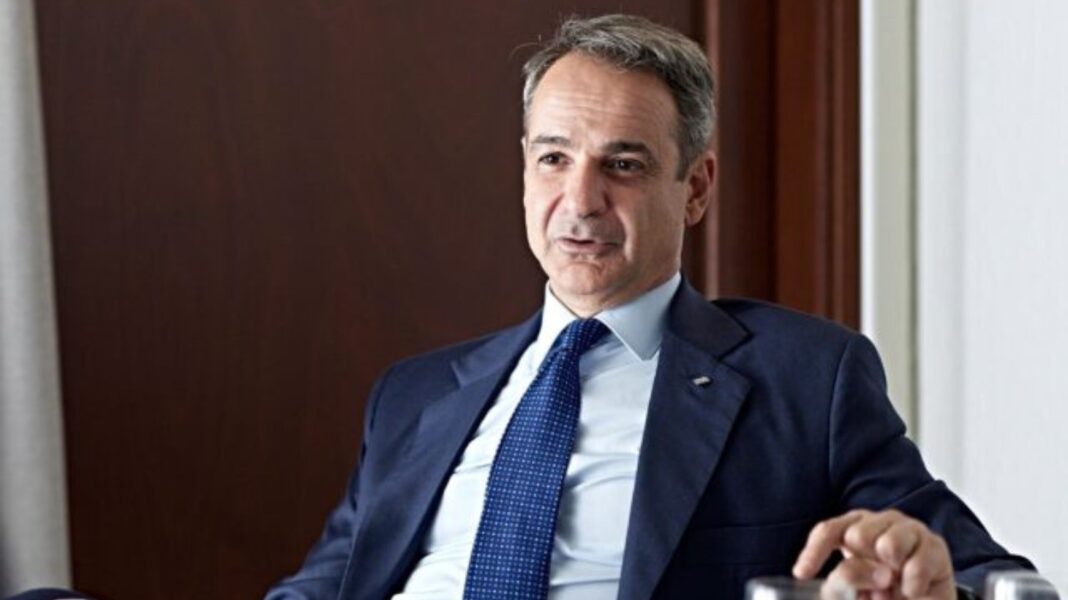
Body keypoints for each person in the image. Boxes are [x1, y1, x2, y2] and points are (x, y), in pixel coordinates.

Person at [266, 14, 1036, 600]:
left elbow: (996, 582)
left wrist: (934, 583)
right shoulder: (415, 395)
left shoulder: (806, 378)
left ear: (694, 189)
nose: (580, 201)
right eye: (554, 158)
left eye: (623, 165)